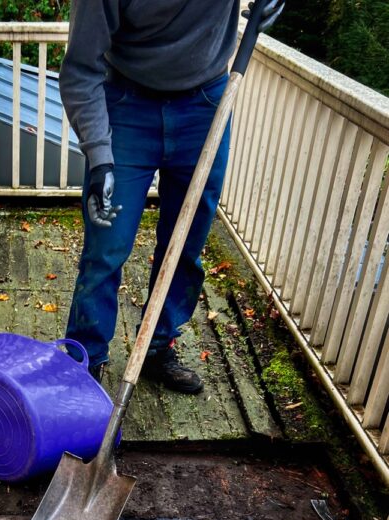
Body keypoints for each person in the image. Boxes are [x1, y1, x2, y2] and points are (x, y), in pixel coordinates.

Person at [60, 0, 283, 393]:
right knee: (105, 248)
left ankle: (157, 345)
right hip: (126, 107)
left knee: (186, 244)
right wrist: (100, 158)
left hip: (205, 105)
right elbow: (80, 70)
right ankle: (84, 357)